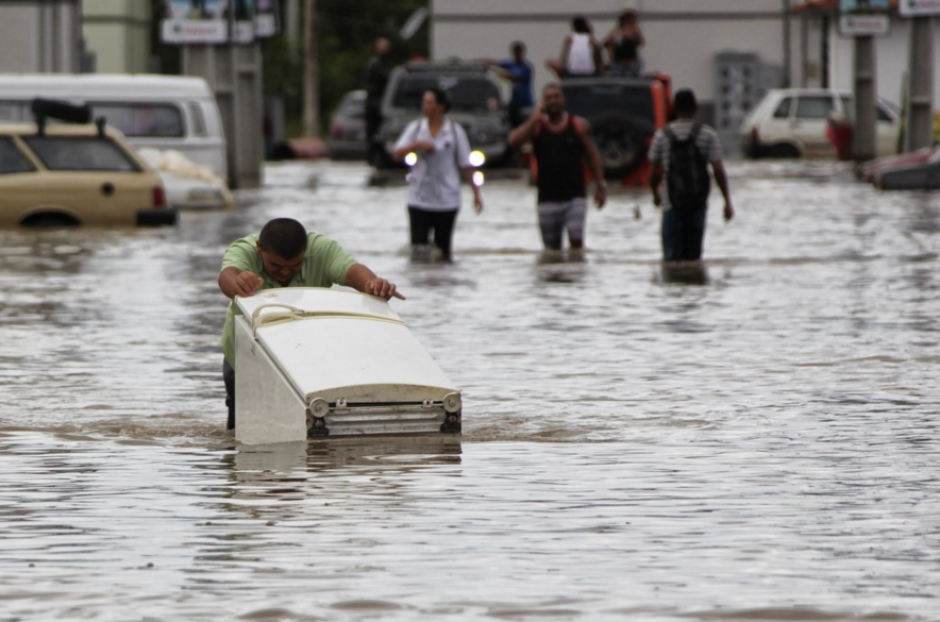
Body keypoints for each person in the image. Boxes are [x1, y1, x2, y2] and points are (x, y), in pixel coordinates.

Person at [218, 218, 404, 430]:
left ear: (305, 252)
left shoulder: (322, 249)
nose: (285, 272)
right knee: (241, 426)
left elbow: (353, 272)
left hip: (305, 353)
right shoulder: (244, 250)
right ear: (259, 249)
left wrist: (373, 284)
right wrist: (238, 283)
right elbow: (226, 277)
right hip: (246, 354)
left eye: (294, 266)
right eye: (276, 266)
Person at [507, 83, 607, 255]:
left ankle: (576, 279)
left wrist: (600, 185)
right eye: (549, 98)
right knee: (551, 250)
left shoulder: (579, 126)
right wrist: (534, 119)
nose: (553, 101)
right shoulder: (537, 127)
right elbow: (513, 141)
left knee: (576, 245)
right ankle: (555, 279)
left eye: (556, 96)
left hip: (575, 196)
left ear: (564, 99)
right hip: (547, 198)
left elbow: (594, 156)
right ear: (543, 102)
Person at [392, 87, 483, 262]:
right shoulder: (416, 128)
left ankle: (442, 284)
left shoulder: (455, 131)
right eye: (423, 102)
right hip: (418, 198)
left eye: (429, 102)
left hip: (447, 200)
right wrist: (417, 145)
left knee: (443, 252)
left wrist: (476, 194)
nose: (424, 106)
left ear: (440, 106)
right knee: (418, 251)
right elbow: (396, 154)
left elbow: (467, 165)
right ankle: (421, 285)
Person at [648, 89, 734, 262]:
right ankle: (694, 287)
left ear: (673, 108)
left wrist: (655, 196)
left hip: (671, 203)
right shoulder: (708, 134)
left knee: (672, 260)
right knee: (694, 259)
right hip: (698, 202)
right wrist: (727, 202)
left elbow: (654, 173)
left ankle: (675, 289)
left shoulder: (662, 135)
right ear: (696, 107)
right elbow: (718, 169)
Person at [487, 41, 535, 129]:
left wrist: (496, 73)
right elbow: (495, 62)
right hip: (514, 103)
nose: (517, 54)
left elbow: (514, 77)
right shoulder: (511, 64)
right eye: (515, 52)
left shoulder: (527, 67)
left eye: (518, 52)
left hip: (525, 105)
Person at [365, 37, 392, 165]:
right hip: (374, 105)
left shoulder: (387, 63)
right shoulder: (375, 64)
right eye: (382, 46)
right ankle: (373, 158)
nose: (383, 49)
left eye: (385, 47)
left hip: (384, 104)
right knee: (373, 134)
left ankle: (381, 156)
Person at [603, 9, 645, 77]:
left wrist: (631, 39)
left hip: (631, 62)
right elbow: (605, 43)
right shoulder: (617, 32)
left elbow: (641, 42)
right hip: (619, 63)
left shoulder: (634, 31)